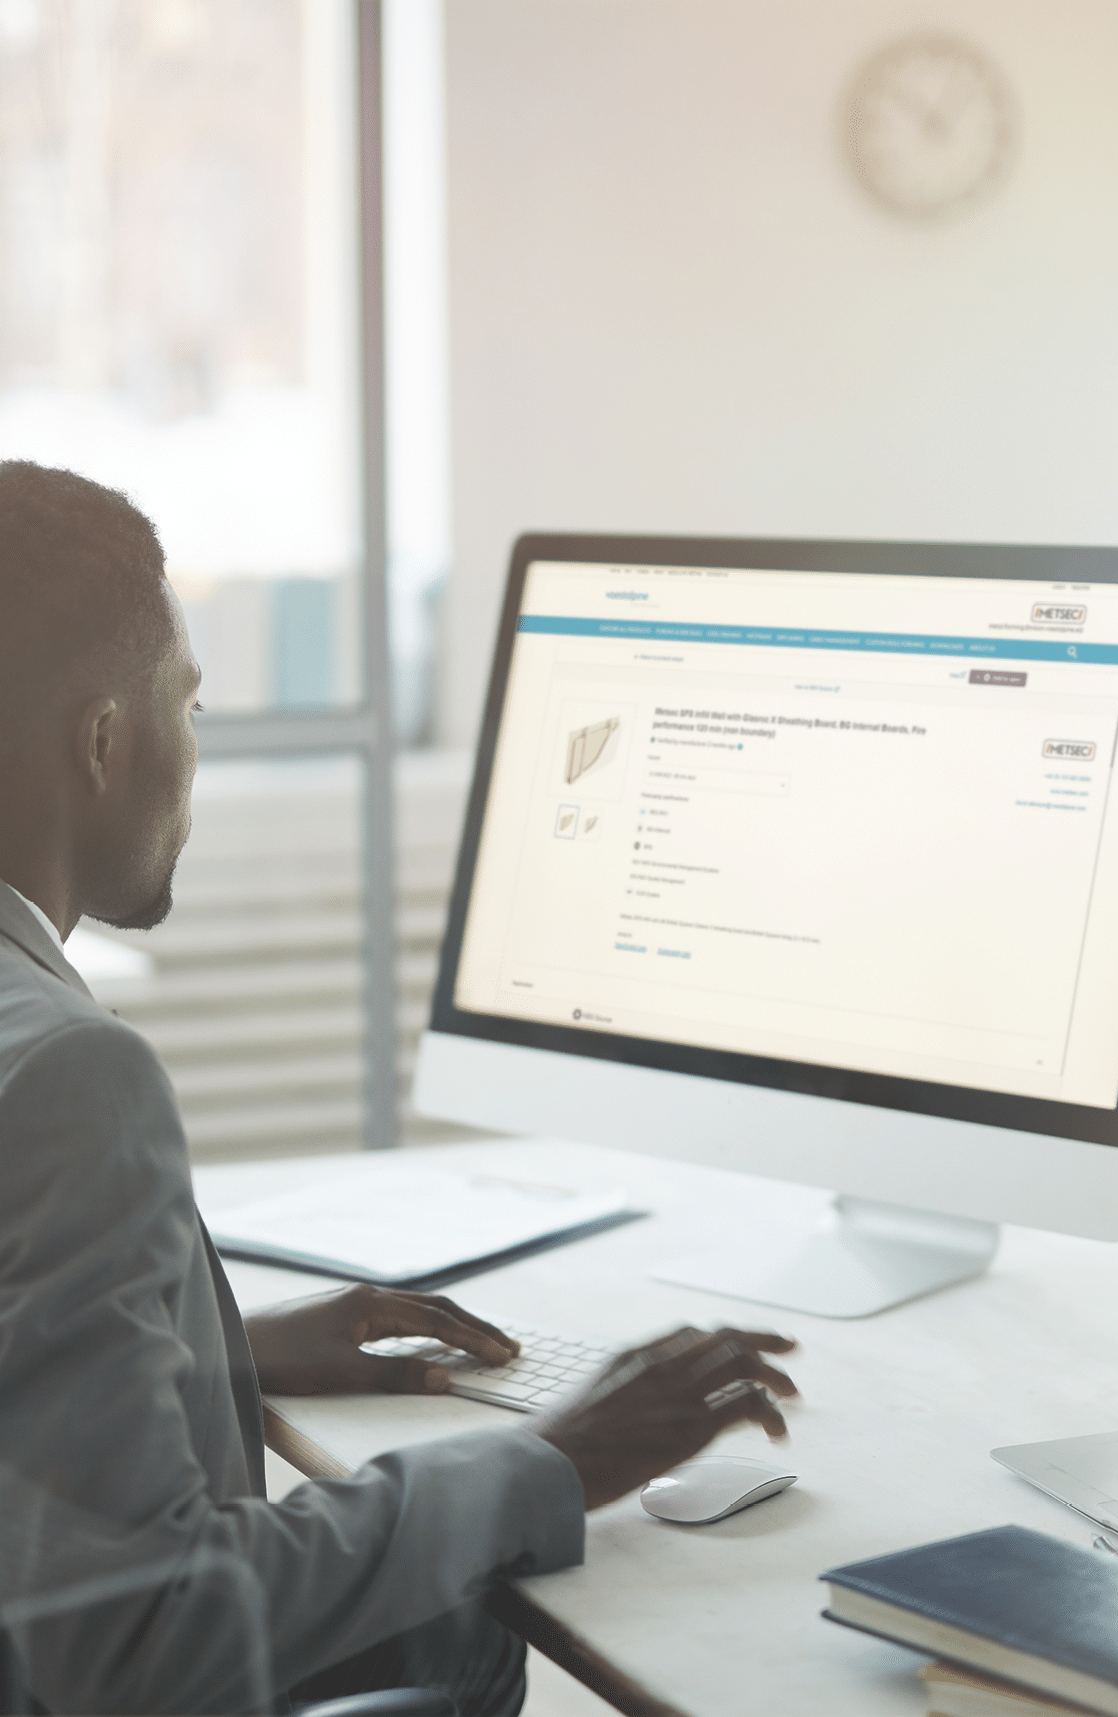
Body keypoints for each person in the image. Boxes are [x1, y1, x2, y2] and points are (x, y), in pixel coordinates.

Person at [0, 460, 799, 1716]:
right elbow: (135, 1643)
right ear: (103, 741)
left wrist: (217, 1359)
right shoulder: (68, 1073)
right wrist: (551, 1455)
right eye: (190, 706)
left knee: (444, 1644)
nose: (194, 751)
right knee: (465, 1634)